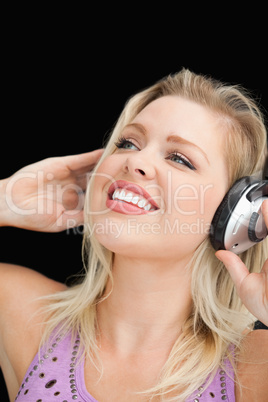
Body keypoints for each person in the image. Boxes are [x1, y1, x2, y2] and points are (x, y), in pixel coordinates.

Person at [0, 68, 267, 402]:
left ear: (233, 216)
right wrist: (4, 200)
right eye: (128, 143)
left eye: (180, 159)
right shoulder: (23, 312)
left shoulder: (253, 365)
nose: (136, 161)